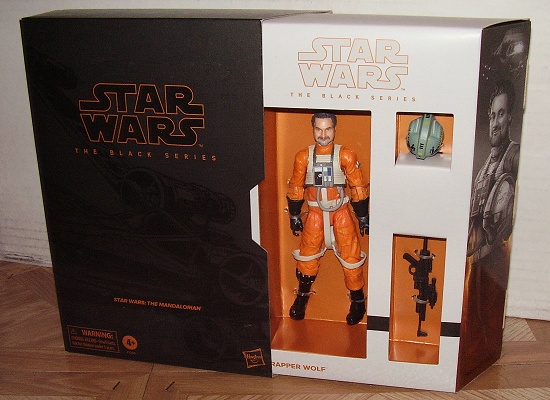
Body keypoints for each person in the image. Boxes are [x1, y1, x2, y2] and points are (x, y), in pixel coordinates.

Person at [286, 112, 369, 325]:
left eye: (328, 129)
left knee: (351, 257)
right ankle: (302, 297)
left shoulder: (345, 156)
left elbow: (357, 186)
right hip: (315, 213)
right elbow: (296, 186)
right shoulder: (304, 157)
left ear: (334, 129)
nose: (323, 134)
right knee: (307, 257)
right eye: (319, 129)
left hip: (340, 212)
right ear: (313, 129)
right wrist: (294, 214)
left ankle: (358, 301)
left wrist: (362, 215)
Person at [468, 80, 519, 261]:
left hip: (501, 261)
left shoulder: (515, 156)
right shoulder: (481, 172)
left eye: (501, 114)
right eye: (492, 116)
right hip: (475, 264)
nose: (495, 123)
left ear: (509, 117)